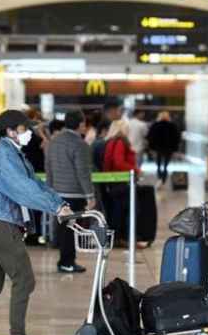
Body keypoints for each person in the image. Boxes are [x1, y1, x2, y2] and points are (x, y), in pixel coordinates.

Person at [0, 110, 73, 335]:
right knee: (24, 279)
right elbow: (22, 188)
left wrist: (60, 203)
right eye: (24, 129)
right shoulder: (6, 155)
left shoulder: (15, 154)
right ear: (9, 131)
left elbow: (36, 184)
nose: (29, 133)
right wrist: (55, 207)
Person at [45, 110, 94, 274]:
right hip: (75, 194)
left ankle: (66, 260)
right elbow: (83, 172)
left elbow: (49, 168)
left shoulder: (54, 141)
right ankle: (67, 262)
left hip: (57, 192)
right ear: (80, 124)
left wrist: (50, 190)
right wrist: (90, 195)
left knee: (63, 228)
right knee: (70, 229)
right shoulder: (80, 144)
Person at [103, 120, 147, 248]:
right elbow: (119, 162)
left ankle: (118, 238)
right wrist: (135, 170)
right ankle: (130, 239)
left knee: (119, 211)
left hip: (114, 182)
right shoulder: (121, 142)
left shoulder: (111, 142)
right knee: (133, 209)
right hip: (121, 182)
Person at [147, 111, 181, 183]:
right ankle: (165, 169)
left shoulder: (155, 125)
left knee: (158, 159)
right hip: (169, 147)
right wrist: (176, 148)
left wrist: (151, 147)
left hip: (158, 147)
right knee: (166, 160)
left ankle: (159, 170)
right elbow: (177, 137)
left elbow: (150, 136)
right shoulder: (172, 125)